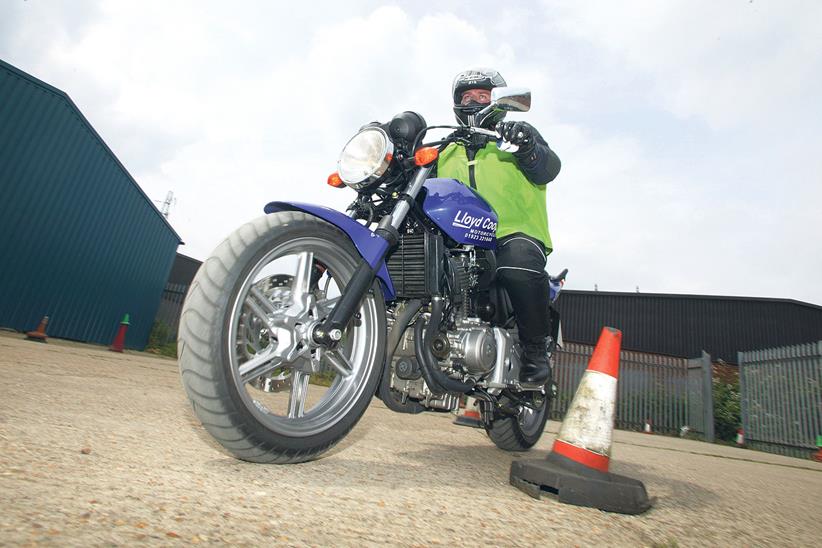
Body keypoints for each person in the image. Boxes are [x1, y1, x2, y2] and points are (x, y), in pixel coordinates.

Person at [435, 68, 561, 385]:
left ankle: (535, 352)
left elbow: (548, 167)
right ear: (457, 106)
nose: (475, 101)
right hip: (458, 239)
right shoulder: (446, 148)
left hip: (512, 232)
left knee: (518, 265)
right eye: (468, 97)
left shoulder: (513, 136)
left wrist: (528, 146)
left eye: (483, 96)